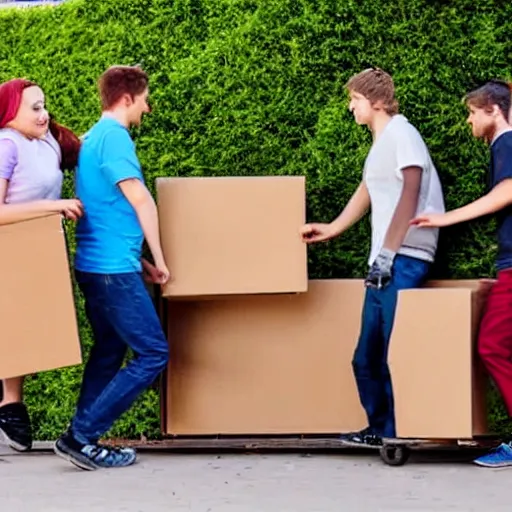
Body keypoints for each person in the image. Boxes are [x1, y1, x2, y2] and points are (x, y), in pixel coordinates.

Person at [300, 68, 445, 446]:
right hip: (384, 260)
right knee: (366, 357)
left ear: (376, 101)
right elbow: (368, 191)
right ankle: (383, 430)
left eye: (356, 99)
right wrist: (332, 228)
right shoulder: (381, 143)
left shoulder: (403, 134)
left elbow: (411, 191)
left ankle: (396, 433)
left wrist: (388, 255)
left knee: (391, 352)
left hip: (403, 257)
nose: (350, 106)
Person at [53, 65, 170, 470]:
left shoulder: (91, 140)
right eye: (144, 99)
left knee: (109, 350)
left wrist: (142, 265)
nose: (147, 107)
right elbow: (140, 201)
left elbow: (105, 214)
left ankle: (80, 439)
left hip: (96, 266)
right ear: (127, 98)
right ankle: (81, 436)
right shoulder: (115, 138)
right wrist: (159, 258)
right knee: (154, 352)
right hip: (111, 272)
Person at [411, 80, 512, 468]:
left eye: (473, 112)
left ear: (494, 112)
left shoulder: (506, 143)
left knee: (492, 346)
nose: (469, 120)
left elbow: (506, 193)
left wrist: (443, 219)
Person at [0, 78, 83, 452]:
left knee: (26, 330)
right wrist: (55, 206)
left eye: (44, 105)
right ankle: (10, 405)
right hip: (8, 246)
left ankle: (9, 405)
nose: (43, 113)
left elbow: (89, 146)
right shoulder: (6, 144)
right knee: (15, 329)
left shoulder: (49, 141)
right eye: (34, 107)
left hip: (36, 247)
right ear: (10, 112)